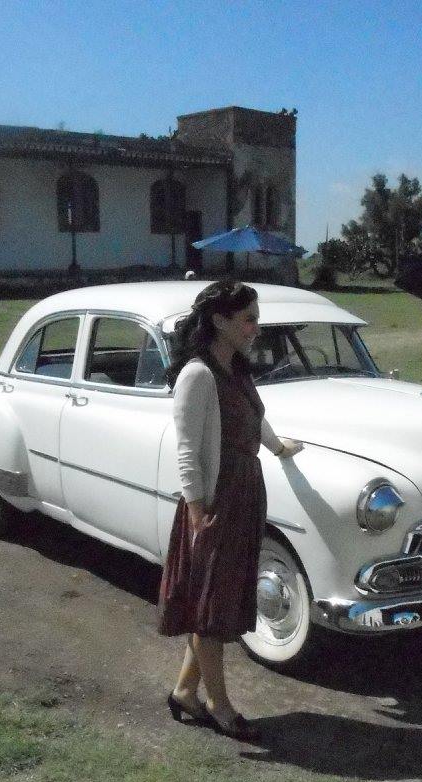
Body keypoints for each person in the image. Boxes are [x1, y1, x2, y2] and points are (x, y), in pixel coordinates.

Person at [160, 281, 303, 740]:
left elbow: (253, 417)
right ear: (220, 321)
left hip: (244, 493)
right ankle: (221, 708)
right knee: (210, 610)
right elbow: (186, 450)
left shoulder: (236, 369)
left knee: (216, 605)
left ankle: (185, 692)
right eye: (249, 319)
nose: (256, 328)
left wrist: (279, 446)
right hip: (215, 501)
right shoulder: (198, 375)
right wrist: (198, 510)